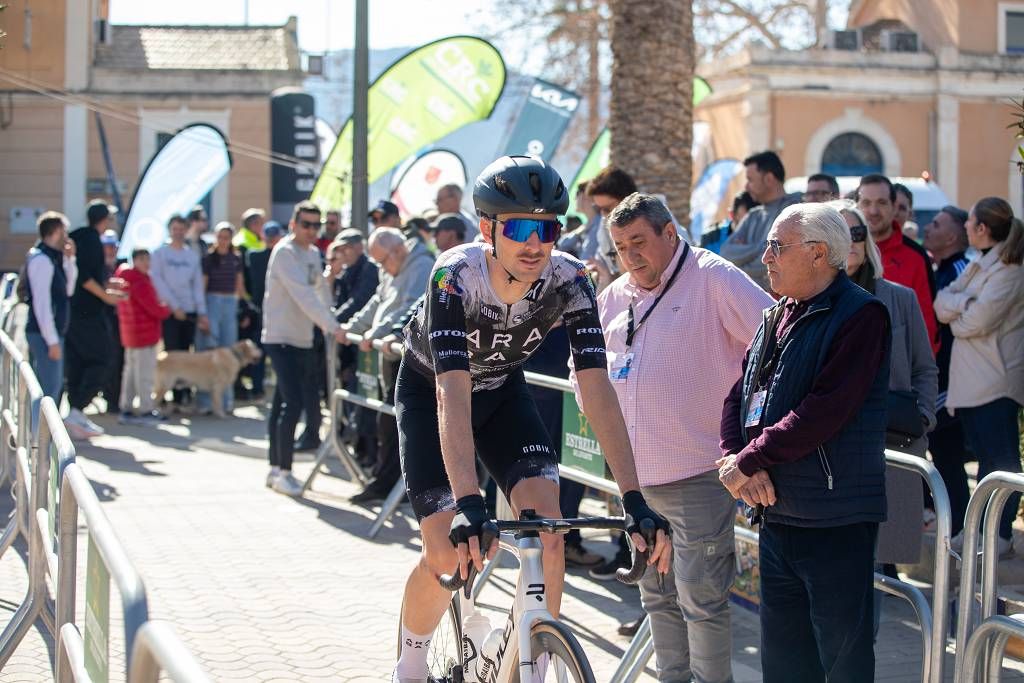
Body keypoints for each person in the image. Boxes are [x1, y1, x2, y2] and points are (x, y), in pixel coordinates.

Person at [391, 156, 670, 683]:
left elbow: (596, 388)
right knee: (447, 555)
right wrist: (470, 503)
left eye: (548, 228)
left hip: (501, 394)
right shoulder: (455, 274)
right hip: (433, 394)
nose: (535, 242)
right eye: (519, 227)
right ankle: (408, 665)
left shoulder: (570, 281)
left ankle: (530, 667)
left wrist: (634, 496)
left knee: (548, 531)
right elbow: (452, 392)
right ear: (487, 229)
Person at [592, 193, 773, 682]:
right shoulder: (614, 295)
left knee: (701, 599)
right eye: (620, 248)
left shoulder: (714, 277)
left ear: (669, 234)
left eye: (639, 243)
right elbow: (584, 373)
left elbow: (778, 340)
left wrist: (752, 436)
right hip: (636, 481)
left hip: (698, 474)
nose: (630, 257)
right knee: (657, 596)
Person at [718, 202, 891, 682]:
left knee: (842, 659)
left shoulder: (861, 315)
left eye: (777, 246)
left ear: (818, 254)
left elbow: (824, 410)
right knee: (785, 661)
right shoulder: (777, 314)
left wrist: (749, 460)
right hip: (778, 514)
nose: (766, 256)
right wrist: (735, 458)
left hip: (834, 518)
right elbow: (739, 394)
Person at [837, 200, 937, 628]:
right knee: (836, 570)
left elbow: (924, 367)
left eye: (857, 233)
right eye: (840, 234)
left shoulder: (898, 298)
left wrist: (923, 418)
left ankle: (864, 660)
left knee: (877, 568)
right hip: (830, 453)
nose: (852, 242)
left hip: (891, 446)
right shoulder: (804, 301)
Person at [936, 197, 1024, 556]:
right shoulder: (979, 264)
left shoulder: (1009, 270)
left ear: (982, 229)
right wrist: (964, 305)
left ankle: (999, 536)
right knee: (985, 463)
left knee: (1000, 460)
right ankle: (981, 532)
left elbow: (975, 321)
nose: (967, 229)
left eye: (969, 223)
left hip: (996, 381)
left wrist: (961, 307)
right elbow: (942, 302)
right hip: (973, 383)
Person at [341, 227, 434, 504]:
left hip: (409, 358)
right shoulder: (392, 265)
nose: (382, 268)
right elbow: (377, 301)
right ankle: (387, 482)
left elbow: (409, 308)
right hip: (388, 354)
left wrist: (379, 333)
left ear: (397, 250)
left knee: (394, 423)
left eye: (383, 261)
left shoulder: (421, 265)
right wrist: (352, 327)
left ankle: (391, 484)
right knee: (386, 421)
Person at [262, 200, 347, 496]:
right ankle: (283, 471)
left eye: (316, 225)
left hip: (301, 339)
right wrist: (332, 326)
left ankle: (275, 469)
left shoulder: (313, 254)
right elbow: (303, 296)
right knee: (292, 403)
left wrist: (334, 321)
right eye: (306, 224)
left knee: (281, 404)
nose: (312, 230)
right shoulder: (284, 252)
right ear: (293, 225)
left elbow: (320, 292)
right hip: (279, 337)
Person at [922, 206, 972, 534]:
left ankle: (959, 529)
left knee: (948, 457)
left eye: (937, 224)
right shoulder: (937, 269)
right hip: (940, 381)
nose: (928, 227)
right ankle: (947, 523)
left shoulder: (961, 270)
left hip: (955, 385)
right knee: (940, 455)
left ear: (953, 235)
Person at [64, 199, 126, 438]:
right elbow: (85, 278)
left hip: (79, 311)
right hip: (87, 313)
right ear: (105, 220)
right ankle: (78, 407)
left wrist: (108, 285)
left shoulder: (79, 236)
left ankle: (76, 413)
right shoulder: (90, 239)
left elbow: (90, 275)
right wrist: (107, 297)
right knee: (103, 358)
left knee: (80, 361)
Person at [857, 174, 939, 352]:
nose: (873, 211)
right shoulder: (846, 251)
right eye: (866, 203)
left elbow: (927, 327)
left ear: (894, 207)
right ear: (857, 206)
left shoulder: (915, 257)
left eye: (881, 202)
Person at [150, 214, 209, 410]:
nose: (178, 232)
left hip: (189, 311)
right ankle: (163, 394)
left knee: (186, 353)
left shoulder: (191, 256)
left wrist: (200, 311)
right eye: (175, 228)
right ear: (169, 230)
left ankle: (180, 395)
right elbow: (158, 282)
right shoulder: (159, 254)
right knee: (171, 354)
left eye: (181, 229)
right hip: (169, 312)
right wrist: (174, 306)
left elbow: (197, 286)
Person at [720, 151, 802, 291]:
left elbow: (773, 262)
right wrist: (760, 247)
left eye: (750, 180)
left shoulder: (793, 210)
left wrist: (737, 268)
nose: (746, 187)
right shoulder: (753, 215)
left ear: (769, 179)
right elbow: (726, 252)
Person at [23, 211, 77, 412]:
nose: (67, 236)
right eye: (64, 231)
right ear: (55, 232)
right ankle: (37, 439)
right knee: (48, 391)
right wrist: (52, 340)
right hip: (44, 334)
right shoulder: (42, 260)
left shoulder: (55, 258)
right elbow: (42, 304)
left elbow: (68, 290)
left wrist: (70, 261)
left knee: (51, 388)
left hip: (51, 333)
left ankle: (39, 437)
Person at [114, 249, 171, 425]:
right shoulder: (139, 281)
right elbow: (153, 308)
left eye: (148, 259)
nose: (146, 263)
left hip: (131, 335)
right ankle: (146, 409)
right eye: (142, 259)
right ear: (134, 260)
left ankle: (127, 409)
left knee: (130, 374)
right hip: (143, 335)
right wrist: (166, 309)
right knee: (144, 376)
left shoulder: (124, 278)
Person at [196, 222, 246, 415]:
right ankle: (205, 401)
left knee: (229, 352)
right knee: (209, 349)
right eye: (220, 237)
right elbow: (203, 285)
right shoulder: (209, 259)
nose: (223, 241)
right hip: (213, 301)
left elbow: (239, 284)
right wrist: (202, 312)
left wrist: (243, 307)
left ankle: (226, 401)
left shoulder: (236, 258)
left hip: (230, 303)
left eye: (226, 237)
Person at [242, 221, 284, 400]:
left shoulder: (253, 256)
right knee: (277, 353)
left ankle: (258, 389)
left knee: (261, 352)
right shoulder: (283, 258)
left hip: (261, 310)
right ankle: (276, 390)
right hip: (274, 311)